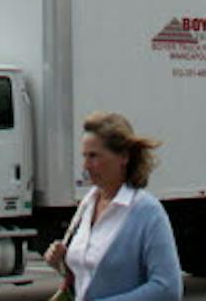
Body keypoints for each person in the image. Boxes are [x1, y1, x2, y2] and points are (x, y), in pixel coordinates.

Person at [43, 112, 182, 301]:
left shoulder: (147, 211)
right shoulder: (87, 203)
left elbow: (168, 288)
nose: (86, 166)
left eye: (94, 156)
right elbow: (90, 277)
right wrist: (62, 263)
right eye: (84, 156)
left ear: (123, 157)